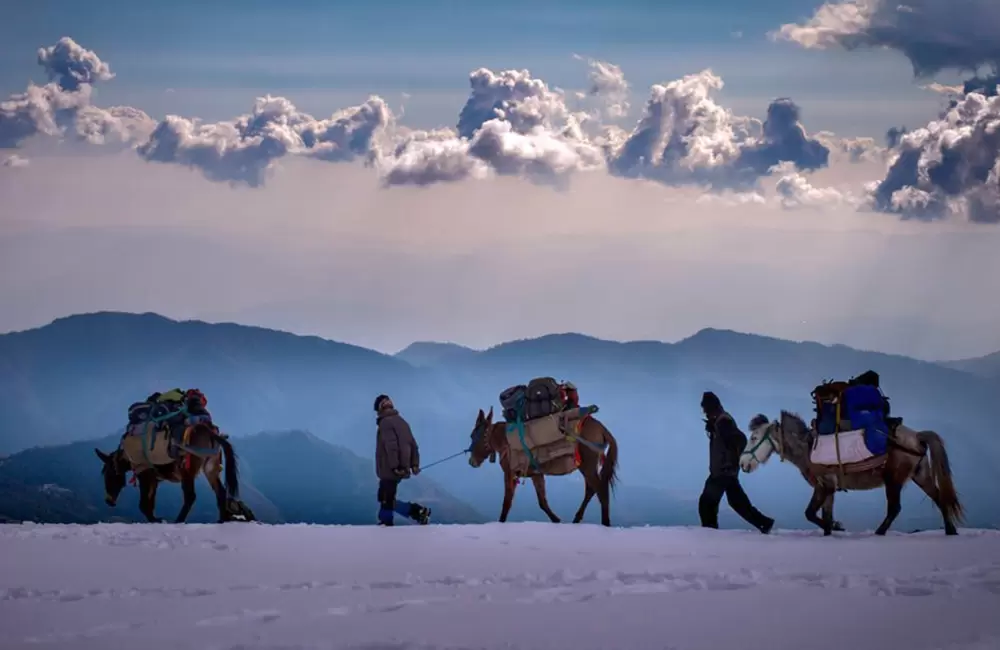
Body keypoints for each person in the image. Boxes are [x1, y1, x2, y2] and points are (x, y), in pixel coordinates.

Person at [698, 391, 774, 534]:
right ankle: (764, 523)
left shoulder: (723, 422)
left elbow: (740, 439)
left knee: (707, 503)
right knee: (737, 503)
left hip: (723, 471)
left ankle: (709, 533)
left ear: (711, 407)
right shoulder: (719, 421)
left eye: (705, 408)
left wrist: (732, 460)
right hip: (724, 470)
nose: (704, 412)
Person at [374, 394, 431, 526]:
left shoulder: (385, 423)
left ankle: (387, 522)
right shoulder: (402, 422)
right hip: (401, 467)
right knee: (385, 496)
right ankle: (417, 512)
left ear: (379, 409)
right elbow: (413, 444)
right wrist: (414, 465)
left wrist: (395, 466)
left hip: (390, 467)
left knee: (385, 497)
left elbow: (391, 446)